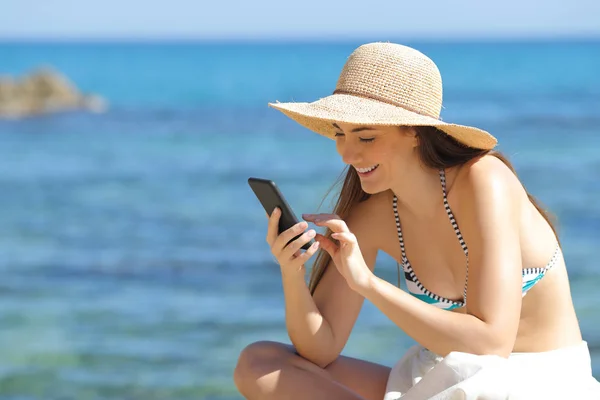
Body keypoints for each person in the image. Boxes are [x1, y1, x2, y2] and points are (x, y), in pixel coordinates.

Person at [233, 42, 600, 399]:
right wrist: (291, 272)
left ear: (414, 131)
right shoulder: (373, 211)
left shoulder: (483, 180)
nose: (346, 153)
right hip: (444, 376)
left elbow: (492, 345)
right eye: (340, 134)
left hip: (536, 382)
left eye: (365, 136)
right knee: (260, 364)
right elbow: (320, 350)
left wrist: (368, 284)